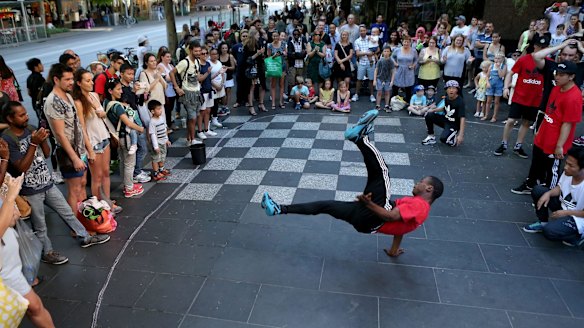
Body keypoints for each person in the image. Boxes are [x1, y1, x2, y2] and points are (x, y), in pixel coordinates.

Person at [261, 109, 444, 257]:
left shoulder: (420, 206)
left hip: (374, 217)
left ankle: (361, 138)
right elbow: (400, 227)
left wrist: (369, 204)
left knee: (382, 172)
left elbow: (390, 217)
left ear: (429, 188)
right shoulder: (417, 209)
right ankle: (279, 209)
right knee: (325, 205)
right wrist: (394, 250)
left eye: (421, 182)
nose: (417, 183)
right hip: (363, 222)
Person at [2, 101, 111, 266]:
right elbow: (20, 168)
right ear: (10, 118)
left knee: (67, 212)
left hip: (47, 183)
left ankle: (85, 237)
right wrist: (33, 143)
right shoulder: (7, 139)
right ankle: (47, 252)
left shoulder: (30, 129)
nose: (26, 117)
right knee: (40, 225)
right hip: (30, 190)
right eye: (21, 115)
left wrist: (42, 139)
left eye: (25, 113)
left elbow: (46, 154)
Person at [512, 61, 582, 198]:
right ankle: (531, 184)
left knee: (552, 170)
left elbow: (567, 123)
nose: (557, 77)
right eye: (557, 73)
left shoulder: (574, 97)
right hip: (544, 134)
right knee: (536, 162)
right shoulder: (556, 88)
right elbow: (549, 112)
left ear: (571, 76)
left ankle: (548, 196)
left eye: (562, 75)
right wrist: (540, 130)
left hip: (555, 140)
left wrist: (559, 146)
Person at [0, 173, 55, 327]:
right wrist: (10, 197)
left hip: (9, 266)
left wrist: (9, 201)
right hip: (4, 270)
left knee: (35, 307)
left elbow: (14, 215)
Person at [43, 64, 87, 214]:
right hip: (68, 152)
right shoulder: (53, 101)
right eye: (67, 79)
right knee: (74, 190)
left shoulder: (67, 95)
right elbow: (60, 134)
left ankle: (85, 220)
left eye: (72, 79)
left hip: (78, 149)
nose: (71, 82)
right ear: (56, 79)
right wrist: (75, 158)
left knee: (82, 184)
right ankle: (77, 228)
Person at [72, 69, 117, 213]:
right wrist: (89, 149)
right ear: (79, 83)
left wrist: (103, 113)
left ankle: (107, 203)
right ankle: (100, 206)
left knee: (105, 173)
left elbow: (101, 115)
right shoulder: (78, 102)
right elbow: (82, 128)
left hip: (104, 138)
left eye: (91, 80)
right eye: (87, 80)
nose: (92, 83)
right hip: (93, 142)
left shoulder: (94, 95)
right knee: (96, 177)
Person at [524, 146, 584, 246]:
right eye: (566, 163)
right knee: (539, 190)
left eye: (571, 165)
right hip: (563, 207)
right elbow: (560, 188)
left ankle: (577, 235)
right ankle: (543, 222)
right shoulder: (568, 173)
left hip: (578, 217)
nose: (565, 167)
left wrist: (566, 213)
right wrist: (548, 194)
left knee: (550, 232)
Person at [104, 79, 145, 198]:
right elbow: (128, 123)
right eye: (118, 89)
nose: (121, 92)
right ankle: (129, 188)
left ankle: (127, 184)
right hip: (126, 137)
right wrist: (140, 128)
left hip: (117, 137)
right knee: (129, 163)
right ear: (110, 91)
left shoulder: (106, 103)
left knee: (123, 161)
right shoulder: (118, 107)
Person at [171, 40, 203, 146]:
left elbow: (197, 75)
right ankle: (192, 139)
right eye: (196, 51)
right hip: (187, 93)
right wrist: (177, 88)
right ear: (190, 50)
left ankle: (189, 138)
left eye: (199, 51)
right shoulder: (184, 62)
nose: (198, 53)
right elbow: (172, 73)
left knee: (193, 117)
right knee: (192, 117)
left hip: (197, 92)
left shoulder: (197, 61)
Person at [422, 80, 466, 147]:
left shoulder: (460, 102)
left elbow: (462, 118)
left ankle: (453, 138)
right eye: (449, 88)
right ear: (446, 90)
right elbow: (445, 107)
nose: (451, 90)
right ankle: (431, 136)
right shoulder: (447, 98)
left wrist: (461, 135)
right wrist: (433, 110)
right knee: (429, 115)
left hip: (453, 125)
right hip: (445, 119)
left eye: (453, 88)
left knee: (443, 139)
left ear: (457, 90)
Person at [147, 100, 171, 182]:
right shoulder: (152, 122)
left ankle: (161, 169)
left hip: (163, 142)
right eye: (158, 109)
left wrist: (166, 139)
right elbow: (153, 134)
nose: (160, 111)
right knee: (156, 158)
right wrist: (155, 146)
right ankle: (156, 173)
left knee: (162, 157)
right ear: (152, 111)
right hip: (156, 143)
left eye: (161, 109)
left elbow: (165, 129)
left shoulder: (162, 118)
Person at [353, 26, 377, 103]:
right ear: (359, 32)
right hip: (362, 62)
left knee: (371, 79)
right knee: (359, 79)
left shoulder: (371, 38)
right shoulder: (357, 41)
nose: (362, 32)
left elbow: (376, 49)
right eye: (361, 31)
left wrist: (371, 52)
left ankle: (372, 95)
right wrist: (367, 53)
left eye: (364, 30)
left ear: (366, 31)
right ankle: (356, 94)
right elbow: (357, 53)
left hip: (371, 62)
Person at [391, 35, 418, 102]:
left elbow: (416, 60)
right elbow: (392, 57)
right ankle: (394, 101)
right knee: (396, 86)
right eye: (405, 42)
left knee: (408, 88)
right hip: (399, 69)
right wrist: (395, 63)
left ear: (410, 42)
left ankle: (408, 102)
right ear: (402, 42)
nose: (406, 43)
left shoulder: (413, 51)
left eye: (408, 42)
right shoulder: (397, 50)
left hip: (409, 70)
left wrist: (413, 65)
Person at [483, 53, 507, 122]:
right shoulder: (491, 66)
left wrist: (499, 67)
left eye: (499, 58)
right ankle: (486, 115)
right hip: (491, 84)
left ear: (502, 59)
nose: (497, 60)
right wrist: (487, 83)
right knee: (488, 101)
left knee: (496, 101)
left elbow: (501, 75)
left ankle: (494, 116)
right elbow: (487, 76)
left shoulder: (504, 66)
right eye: (496, 58)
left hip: (499, 85)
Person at [157, 50, 176, 133]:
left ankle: (169, 123)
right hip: (166, 90)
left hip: (172, 89)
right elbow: (165, 78)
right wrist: (173, 78)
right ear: (162, 57)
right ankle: (167, 125)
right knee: (167, 108)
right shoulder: (160, 66)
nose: (169, 58)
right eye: (167, 57)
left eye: (170, 57)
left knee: (171, 108)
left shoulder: (170, 65)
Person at [267, 32, 287, 109]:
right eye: (274, 36)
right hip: (274, 67)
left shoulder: (283, 43)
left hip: (282, 65)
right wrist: (274, 56)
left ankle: (281, 102)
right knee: (273, 85)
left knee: (281, 84)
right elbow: (268, 57)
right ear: (272, 37)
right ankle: (273, 103)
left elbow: (286, 53)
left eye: (277, 36)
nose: (275, 37)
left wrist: (283, 53)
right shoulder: (270, 45)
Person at [373, 45, 395, 111]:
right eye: (385, 51)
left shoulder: (391, 61)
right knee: (379, 92)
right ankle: (377, 105)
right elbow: (376, 70)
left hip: (387, 79)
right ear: (382, 52)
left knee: (387, 92)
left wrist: (392, 81)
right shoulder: (380, 61)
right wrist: (374, 80)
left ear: (390, 52)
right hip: (380, 78)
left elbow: (393, 71)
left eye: (388, 51)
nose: (386, 52)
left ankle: (386, 105)